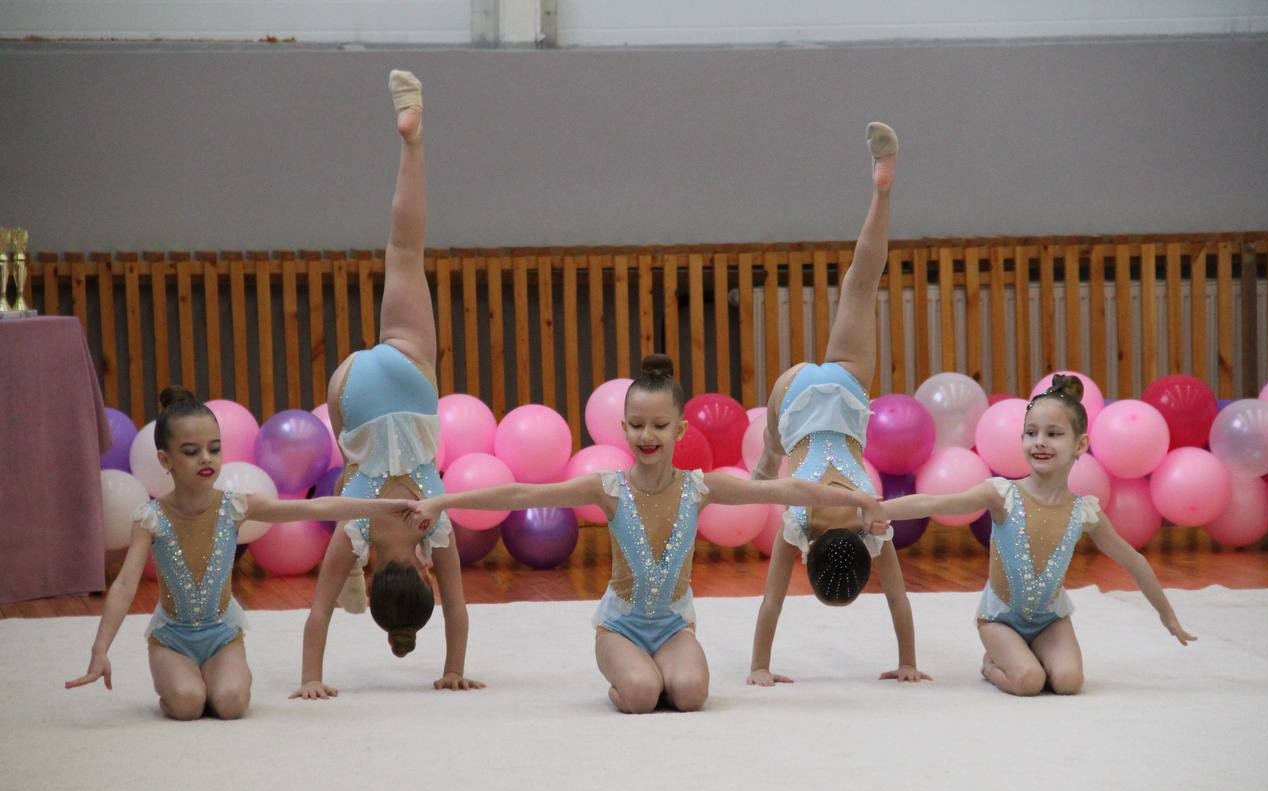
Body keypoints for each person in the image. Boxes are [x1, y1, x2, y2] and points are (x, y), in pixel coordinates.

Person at [412, 354, 889, 713]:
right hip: (621, 627)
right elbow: (521, 494)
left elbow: (785, 486)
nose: (648, 436)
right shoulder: (608, 489)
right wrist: (443, 502)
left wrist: (862, 501)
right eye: (637, 425)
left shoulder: (699, 488)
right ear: (623, 427)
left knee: (691, 695)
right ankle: (631, 675)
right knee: (641, 696)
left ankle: (659, 668)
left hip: (673, 625)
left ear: (680, 430)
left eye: (660, 425)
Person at [293, 70, 483, 700]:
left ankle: (413, 137)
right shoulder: (360, 529)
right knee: (352, 471)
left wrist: (456, 664)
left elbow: (458, 611)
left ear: (423, 575)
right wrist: (311, 678)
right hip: (349, 393)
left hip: (405, 379)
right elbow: (317, 615)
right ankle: (351, 568)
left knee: (405, 251)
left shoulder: (436, 521)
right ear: (378, 579)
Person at [65, 387, 415, 719]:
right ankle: (183, 680)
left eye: (214, 448)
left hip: (221, 635)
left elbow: (315, 507)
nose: (206, 458)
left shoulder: (234, 506)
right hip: (172, 638)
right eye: (191, 452)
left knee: (231, 704)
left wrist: (383, 506)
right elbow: (125, 584)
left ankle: (211, 673)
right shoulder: (151, 518)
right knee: (187, 704)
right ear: (164, 459)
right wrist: (100, 650)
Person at [879, 374, 1197, 696]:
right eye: (1031, 433)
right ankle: (991, 665)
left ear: (1080, 445)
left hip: (1049, 620)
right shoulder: (1002, 494)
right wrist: (878, 510)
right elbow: (932, 503)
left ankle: (1032, 654)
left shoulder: (1083, 511)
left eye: (1053, 434)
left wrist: (1167, 616)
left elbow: (1134, 562)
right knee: (1029, 682)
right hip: (1000, 620)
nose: (1040, 441)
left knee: (1069, 682)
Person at [748, 122, 928, 686]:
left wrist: (909, 661)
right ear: (809, 557)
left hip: (844, 390)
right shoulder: (799, 523)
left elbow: (897, 600)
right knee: (776, 449)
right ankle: (768, 454)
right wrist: (759, 667)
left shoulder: (872, 520)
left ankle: (883, 188)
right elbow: (773, 602)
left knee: (861, 282)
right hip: (792, 395)